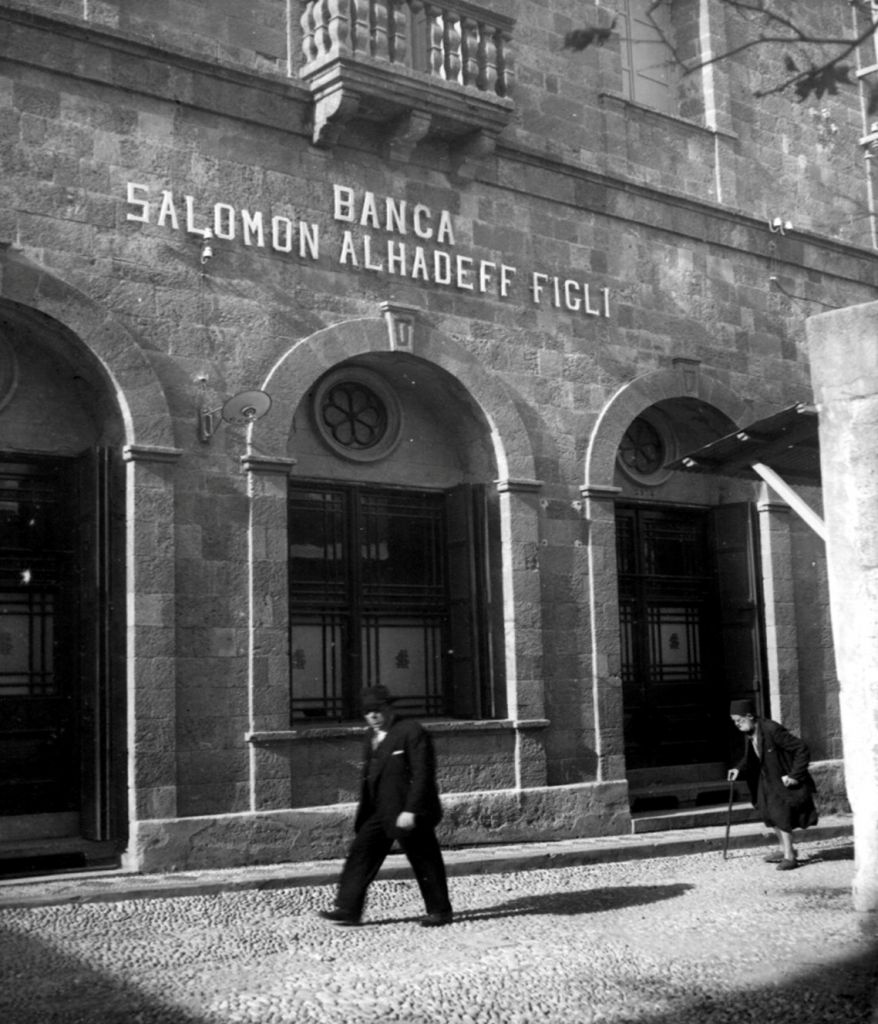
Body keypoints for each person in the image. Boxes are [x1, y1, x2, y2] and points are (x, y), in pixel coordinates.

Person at [318, 685, 454, 927]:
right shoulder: (370, 736)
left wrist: (411, 810)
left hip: (408, 811)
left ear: (388, 708)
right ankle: (348, 909)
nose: (372, 716)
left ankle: (440, 911)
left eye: (377, 710)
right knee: (361, 854)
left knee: (425, 860)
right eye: (367, 712)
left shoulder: (411, 731)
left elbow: (423, 774)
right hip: (379, 811)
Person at [727, 698, 818, 870]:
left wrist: (795, 775)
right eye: (734, 722)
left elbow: (801, 748)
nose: (737, 724)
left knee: (781, 815)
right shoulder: (750, 732)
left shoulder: (772, 729)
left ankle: (790, 856)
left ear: (749, 716)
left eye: (739, 720)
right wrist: (738, 769)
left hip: (781, 779)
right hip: (765, 780)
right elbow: (751, 757)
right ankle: (783, 849)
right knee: (768, 813)